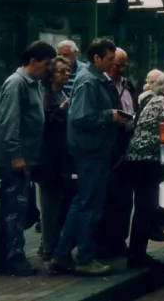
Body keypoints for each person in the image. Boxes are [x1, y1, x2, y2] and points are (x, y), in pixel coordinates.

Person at [49, 38, 124, 277]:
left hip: (93, 150)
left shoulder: (93, 79)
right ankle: (84, 258)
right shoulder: (89, 81)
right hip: (91, 151)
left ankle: (62, 256)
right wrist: (109, 116)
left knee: (82, 202)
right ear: (97, 58)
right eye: (110, 58)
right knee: (89, 205)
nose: (113, 63)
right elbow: (80, 116)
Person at [0, 40, 57, 277]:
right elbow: (9, 121)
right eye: (46, 64)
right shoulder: (17, 83)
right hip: (16, 158)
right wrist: (16, 154)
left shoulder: (32, 84)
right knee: (15, 207)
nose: (47, 69)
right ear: (33, 61)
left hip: (26, 155)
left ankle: (1, 257)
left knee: (12, 206)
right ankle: (13, 257)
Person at [124, 72, 164, 267]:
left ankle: (139, 250)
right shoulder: (163, 102)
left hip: (140, 159)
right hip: (146, 160)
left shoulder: (154, 100)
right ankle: (137, 254)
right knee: (145, 206)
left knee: (146, 205)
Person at [97, 48, 139, 259]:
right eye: (117, 65)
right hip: (110, 148)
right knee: (109, 197)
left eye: (124, 65)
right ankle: (106, 244)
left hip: (126, 145)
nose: (121, 70)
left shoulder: (127, 84)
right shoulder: (101, 84)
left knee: (124, 199)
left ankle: (119, 241)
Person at [36, 57, 76, 262]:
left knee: (59, 203)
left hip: (61, 158)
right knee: (50, 206)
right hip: (50, 159)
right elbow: (44, 121)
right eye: (61, 71)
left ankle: (49, 244)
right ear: (51, 75)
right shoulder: (47, 95)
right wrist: (60, 110)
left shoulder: (62, 93)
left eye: (67, 71)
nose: (66, 74)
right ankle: (49, 247)